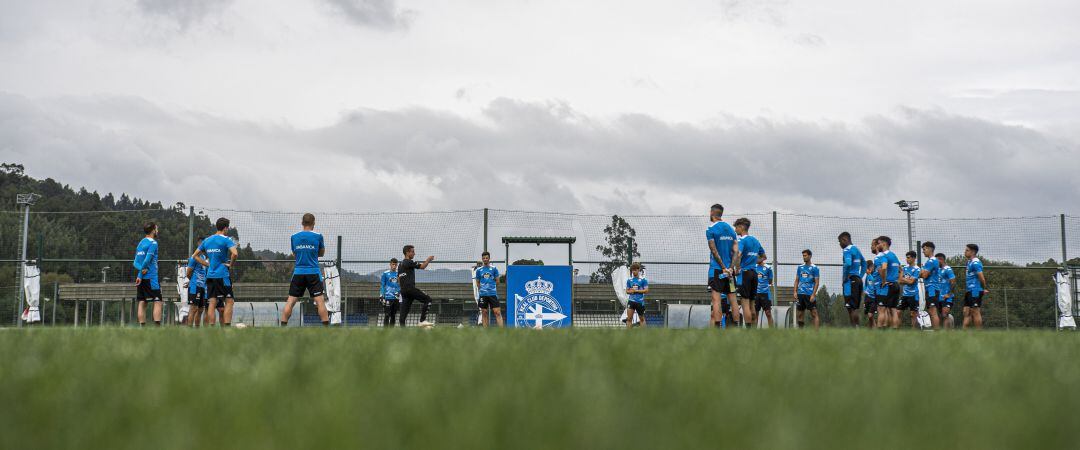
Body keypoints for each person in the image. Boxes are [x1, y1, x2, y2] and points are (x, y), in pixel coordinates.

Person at [280, 213, 329, 327]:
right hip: (313, 273)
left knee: (291, 301)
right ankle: (327, 330)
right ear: (313, 223)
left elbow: (294, 254)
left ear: (302, 223)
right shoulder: (318, 236)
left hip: (298, 273)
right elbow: (321, 253)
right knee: (320, 301)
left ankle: (282, 328)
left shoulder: (294, 237)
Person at [193, 218, 239, 327]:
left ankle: (212, 328)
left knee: (212, 303)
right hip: (222, 275)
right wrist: (231, 265)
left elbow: (195, 256)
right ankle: (227, 328)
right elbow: (235, 254)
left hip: (210, 276)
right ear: (225, 228)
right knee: (229, 301)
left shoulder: (207, 240)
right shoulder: (226, 239)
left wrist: (208, 264)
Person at [706, 204, 740, 328]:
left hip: (717, 270)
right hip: (730, 274)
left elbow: (714, 251)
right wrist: (731, 268)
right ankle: (736, 327)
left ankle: (717, 327)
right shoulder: (731, 229)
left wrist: (723, 267)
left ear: (712, 213)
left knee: (716, 299)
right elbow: (736, 251)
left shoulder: (711, 229)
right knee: (733, 300)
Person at [734, 217, 763, 328]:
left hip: (745, 274)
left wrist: (737, 268)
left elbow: (738, 255)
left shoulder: (742, 240)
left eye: (736, 227)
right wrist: (754, 262)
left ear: (741, 227)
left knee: (745, 303)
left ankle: (749, 331)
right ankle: (754, 331)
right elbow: (763, 257)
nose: (735, 230)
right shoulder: (755, 240)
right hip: (754, 273)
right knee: (752, 304)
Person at [133, 222, 162, 327]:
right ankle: (157, 328)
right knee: (158, 301)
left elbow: (135, 262)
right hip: (152, 278)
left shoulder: (141, 243)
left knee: (142, 302)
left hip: (141, 279)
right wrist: (143, 270)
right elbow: (147, 260)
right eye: (157, 229)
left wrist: (140, 274)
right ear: (153, 230)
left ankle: (142, 327)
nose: (157, 231)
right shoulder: (153, 243)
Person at [398, 245, 435, 327]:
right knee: (428, 299)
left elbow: (399, 278)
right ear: (407, 252)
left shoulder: (400, 265)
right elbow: (423, 266)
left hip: (404, 291)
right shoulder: (409, 262)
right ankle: (422, 321)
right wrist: (428, 260)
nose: (414, 253)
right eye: (413, 251)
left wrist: (402, 289)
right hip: (410, 289)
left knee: (403, 315)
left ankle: (402, 333)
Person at [838, 232, 865, 327]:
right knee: (854, 308)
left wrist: (845, 278)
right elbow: (864, 263)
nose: (839, 244)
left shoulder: (847, 250)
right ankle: (856, 328)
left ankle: (855, 329)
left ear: (844, 240)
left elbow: (848, 264)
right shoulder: (856, 249)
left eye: (840, 241)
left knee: (851, 307)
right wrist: (859, 276)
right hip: (858, 280)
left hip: (850, 282)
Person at [875, 236, 902, 329]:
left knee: (882, 309)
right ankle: (895, 330)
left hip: (888, 285)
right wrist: (898, 280)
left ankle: (879, 331)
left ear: (884, 243)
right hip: (896, 285)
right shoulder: (894, 255)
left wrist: (883, 281)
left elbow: (884, 267)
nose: (877, 245)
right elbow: (901, 269)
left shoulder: (884, 256)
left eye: (878, 243)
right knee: (893, 310)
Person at [792, 249, 820, 329]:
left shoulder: (815, 268)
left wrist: (813, 295)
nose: (804, 257)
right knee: (800, 314)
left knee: (814, 313)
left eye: (805, 255)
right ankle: (801, 333)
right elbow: (797, 280)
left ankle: (816, 334)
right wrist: (795, 292)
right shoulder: (800, 267)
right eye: (803, 256)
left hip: (809, 294)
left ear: (810, 256)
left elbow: (817, 282)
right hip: (800, 294)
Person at [184, 236, 209, 327]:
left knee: (201, 309)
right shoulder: (193, 257)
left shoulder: (203, 257)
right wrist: (193, 281)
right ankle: (190, 331)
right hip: (195, 287)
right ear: (199, 243)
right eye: (203, 244)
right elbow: (188, 273)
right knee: (193, 309)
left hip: (202, 287)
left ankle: (197, 331)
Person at [963, 244, 988, 329]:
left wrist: (984, 288)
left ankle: (979, 333)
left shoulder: (976, 262)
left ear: (973, 252)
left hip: (975, 290)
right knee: (966, 312)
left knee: (975, 311)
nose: (965, 252)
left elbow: (981, 277)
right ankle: (963, 332)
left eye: (967, 250)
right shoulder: (969, 262)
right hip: (969, 290)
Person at [475, 251, 503, 327]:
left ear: (489, 259)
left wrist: (491, 288)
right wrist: (482, 290)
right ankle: (486, 332)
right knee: (484, 312)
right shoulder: (479, 270)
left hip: (492, 294)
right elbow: (477, 282)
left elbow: (497, 281)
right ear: (482, 259)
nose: (485, 259)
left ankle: (502, 331)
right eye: (483, 258)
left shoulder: (494, 269)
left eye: (487, 258)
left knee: (497, 312)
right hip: (483, 294)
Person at [919, 242, 941, 329]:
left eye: (924, 249)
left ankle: (937, 333)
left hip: (932, 289)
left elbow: (924, 275)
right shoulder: (930, 261)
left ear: (930, 249)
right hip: (930, 289)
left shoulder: (932, 261)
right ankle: (936, 331)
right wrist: (921, 272)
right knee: (931, 311)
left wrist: (920, 273)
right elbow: (922, 273)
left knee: (933, 312)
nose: (923, 251)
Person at [899, 251, 921, 329]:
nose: (906, 259)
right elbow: (900, 281)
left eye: (908, 257)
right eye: (906, 257)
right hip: (905, 295)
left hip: (914, 295)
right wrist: (906, 280)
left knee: (913, 314)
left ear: (913, 258)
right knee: (898, 312)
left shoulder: (917, 269)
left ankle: (915, 330)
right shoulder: (904, 268)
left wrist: (903, 279)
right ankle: (897, 331)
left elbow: (911, 282)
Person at [624, 263, 649, 329]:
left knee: (642, 319)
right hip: (631, 301)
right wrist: (631, 291)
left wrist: (636, 291)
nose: (634, 271)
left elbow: (646, 290)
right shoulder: (629, 280)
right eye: (633, 270)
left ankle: (644, 336)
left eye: (635, 270)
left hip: (640, 302)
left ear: (638, 270)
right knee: (629, 319)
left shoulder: (643, 280)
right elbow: (627, 291)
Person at [936, 253, 957, 329]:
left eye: (936, 260)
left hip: (947, 297)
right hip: (938, 297)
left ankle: (945, 334)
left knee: (944, 314)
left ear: (941, 259)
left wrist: (949, 294)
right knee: (940, 316)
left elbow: (953, 282)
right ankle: (949, 328)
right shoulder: (937, 270)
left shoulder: (948, 269)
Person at [753, 253, 774, 327]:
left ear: (762, 258)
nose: (756, 259)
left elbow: (770, 281)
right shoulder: (754, 267)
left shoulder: (768, 268)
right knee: (755, 314)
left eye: (757, 258)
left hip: (765, 293)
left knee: (768, 313)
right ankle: (754, 332)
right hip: (756, 294)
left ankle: (771, 331)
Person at [380, 259, 401, 327]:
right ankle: (385, 331)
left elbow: (400, 285)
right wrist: (381, 295)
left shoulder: (399, 274)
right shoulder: (385, 273)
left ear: (397, 265)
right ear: (390, 264)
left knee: (393, 315)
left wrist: (399, 293)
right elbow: (382, 285)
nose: (394, 266)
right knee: (387, 314)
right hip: (387, 297)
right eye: (393, 264)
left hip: (396, 297)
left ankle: (391, 331)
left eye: (395, 264)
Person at [863, 260, 879, 329]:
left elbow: (875, 283)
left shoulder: (875, 275)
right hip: (867, 297)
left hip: (874, 298)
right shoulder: (867, 276)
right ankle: (870, 331)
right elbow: (866, 285)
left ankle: (875, 328)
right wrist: (865, 291)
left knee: (870, 315)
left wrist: (869, 274)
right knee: (869, 316)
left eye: (868, 268)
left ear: (872, 267)